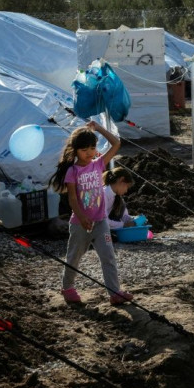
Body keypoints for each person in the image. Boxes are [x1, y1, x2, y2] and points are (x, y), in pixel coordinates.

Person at [49, 121, 134, 305]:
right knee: (74, 257)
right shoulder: (72, 171)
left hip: (100, 221)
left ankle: (114, 292)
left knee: (108, 256)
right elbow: (72, 198)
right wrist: (81, 217)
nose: (89, 153)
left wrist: (99, 128)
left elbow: (116, 143)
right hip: (80, 224)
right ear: (76, 150)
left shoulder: (98, 165)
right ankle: (68, 288)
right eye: (84, 149)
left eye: (92, 148)